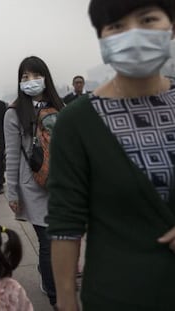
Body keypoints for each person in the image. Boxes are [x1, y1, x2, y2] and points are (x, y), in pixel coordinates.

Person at [46, 1, 175, 310]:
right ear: (103, 39)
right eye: (117, 26)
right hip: (118, 295)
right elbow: (66, 222)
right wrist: (66, 301)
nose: (133, 34)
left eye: (147, 19)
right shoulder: (76, 122)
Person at [4, 56, 64, 308]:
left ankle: (54, 279)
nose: (30, 82)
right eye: (24, 77)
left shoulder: (61, 107)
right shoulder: (14, 113)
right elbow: (12, 155)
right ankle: (55, 297)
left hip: (63, 184)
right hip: (33, 186)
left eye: (34, 76)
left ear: (45, 77)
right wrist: (12, 192)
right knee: (49, 242)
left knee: (63, 239)